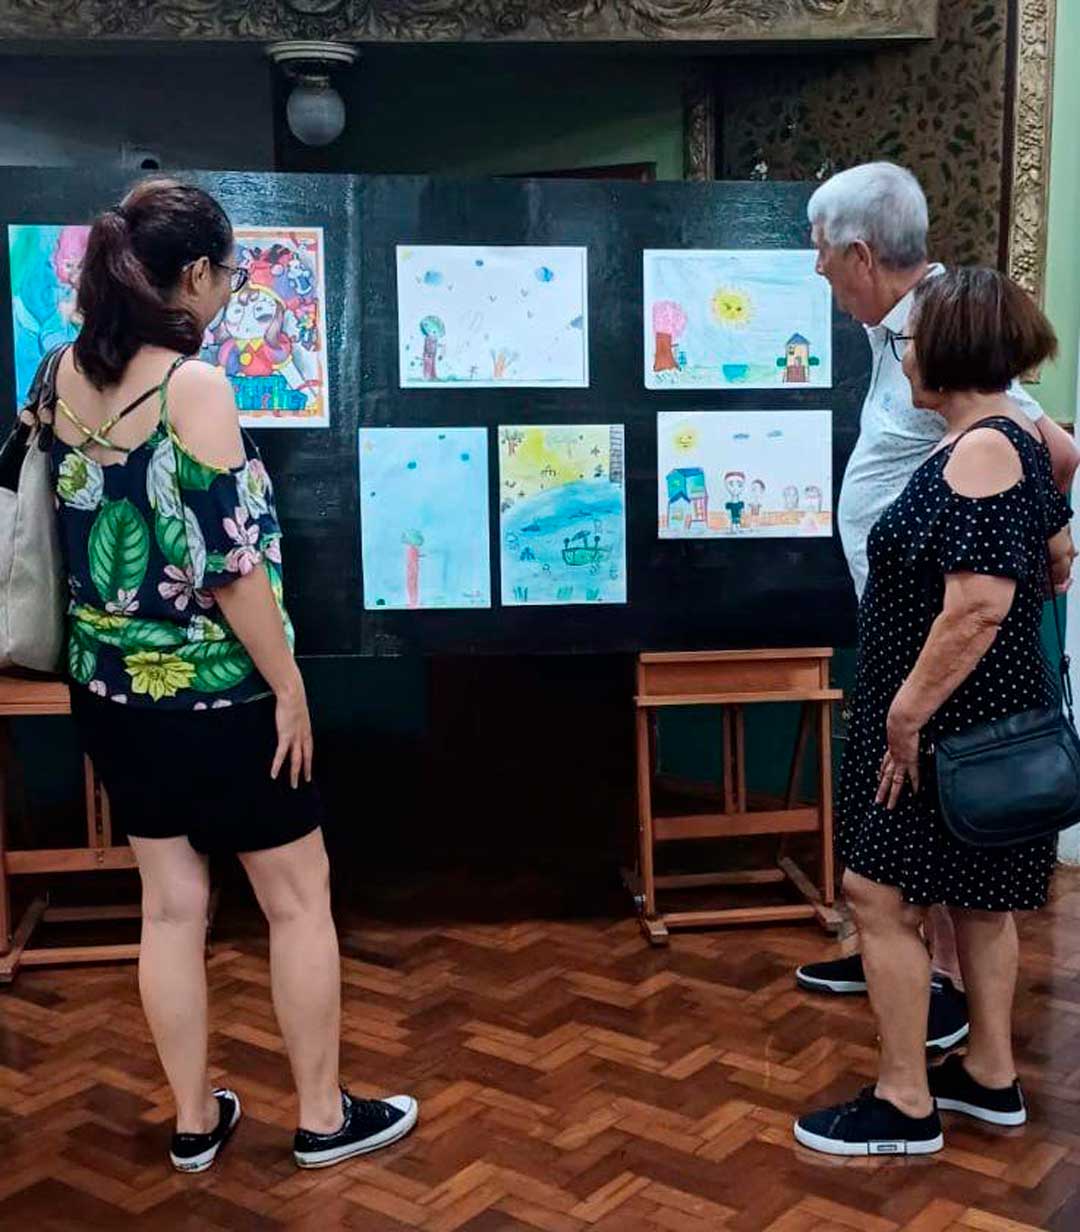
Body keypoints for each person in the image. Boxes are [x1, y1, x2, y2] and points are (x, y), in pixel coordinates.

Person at [48, 179, 418, 1173]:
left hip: (111, 694)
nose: (231, 291)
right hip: (219, 698)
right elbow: (229, 568)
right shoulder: (193, 389)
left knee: (169, 903)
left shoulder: (60, 376)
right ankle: (322, 1116)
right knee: (298, 896)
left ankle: (193, 1120)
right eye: (227, 273)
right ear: (195, 275)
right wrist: (290, 685)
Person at [795, 162, 1080, 1051]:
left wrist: (1051, 532)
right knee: (927, 849)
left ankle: (937, 995)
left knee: (933, 835)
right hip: (914, 617)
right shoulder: (900, 328)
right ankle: (915, 970)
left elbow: (1047, 443)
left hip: (940, 632)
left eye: (820, 253)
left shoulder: (938, 326)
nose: (816, 273)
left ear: (858, 252)